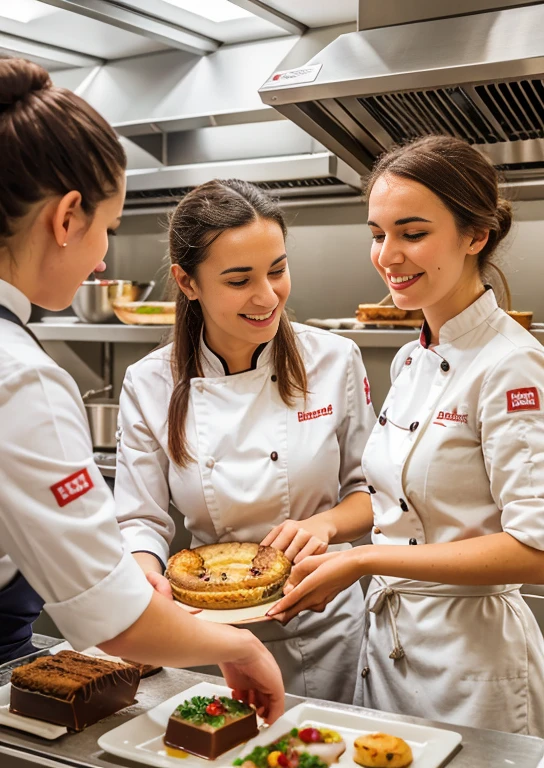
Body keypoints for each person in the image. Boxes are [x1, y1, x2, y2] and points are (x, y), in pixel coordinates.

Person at [0, 57, 284, 722]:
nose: (102, 256)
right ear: (67, 217)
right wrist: (238, 645)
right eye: (109, 228)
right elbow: (112, 619)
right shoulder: (21, 377)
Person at [267, 135, 544, 735]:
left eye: (412, 232)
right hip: (393, 647)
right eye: (377, 233)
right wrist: (328, 527)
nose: (387, 255)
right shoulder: (409, 360)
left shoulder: (510, 365)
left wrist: (362, 559)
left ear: (476, 236)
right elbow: (399, 503)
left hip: (473, 662)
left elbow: (536, 548)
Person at [114, 178, 376, 704]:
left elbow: (372, 492)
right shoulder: (150, 383)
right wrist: (147, 580)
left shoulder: (334, 359)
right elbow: (139, 520)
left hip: (324, 623)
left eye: (277, 270)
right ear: (187, 283)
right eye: (239, 280)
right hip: (209, 633)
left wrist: (324, 524)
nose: (267, 296)